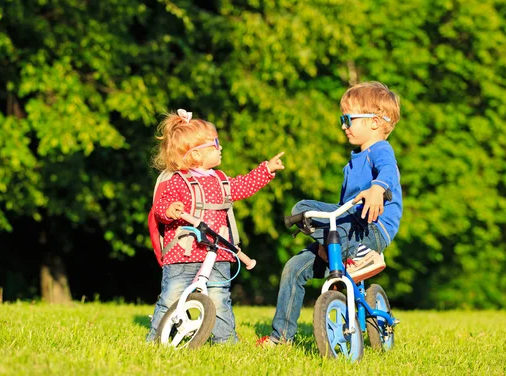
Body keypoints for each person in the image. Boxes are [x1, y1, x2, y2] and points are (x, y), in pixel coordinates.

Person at [258, 81, 402, 346]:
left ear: (374, 122)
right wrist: (326, 240)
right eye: (342, 119)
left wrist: (377, 188)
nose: (344, 125)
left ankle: (361, 257)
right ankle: (281, 338)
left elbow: (389, 172)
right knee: (294, 263)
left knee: (306, 210)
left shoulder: (380, 150)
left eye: (348, 118)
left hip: (372, 228)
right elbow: (341, 207)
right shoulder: (352, 162)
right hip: (348, 227)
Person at [146, 109, 285, 343]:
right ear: (196, 154)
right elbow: (160, 207)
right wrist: (170, 210)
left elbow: (243, 185)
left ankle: (225, 341)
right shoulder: (176, 181)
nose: (220, 147)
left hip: (218, 253)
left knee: (220, 298)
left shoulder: (219, 180)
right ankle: (157, 339)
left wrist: (266, 170)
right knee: (171, 298)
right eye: (215, 143)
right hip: (182, 256)